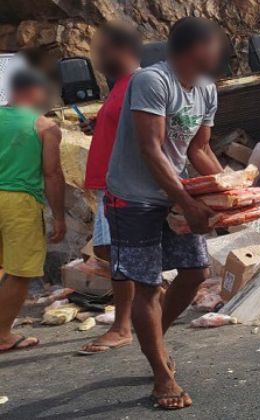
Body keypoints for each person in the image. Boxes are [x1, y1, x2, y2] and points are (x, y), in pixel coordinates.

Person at [105, 17, 224, 409]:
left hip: (173, 192)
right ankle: (161, 376)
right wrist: (189, 203)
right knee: (146, 284)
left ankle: (153, 340)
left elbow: (198, 150)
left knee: (195, 273)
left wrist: (234, 193)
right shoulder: (152, 81)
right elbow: (150, 149)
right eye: (215, 45)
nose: (219, 52)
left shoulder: (206, 88)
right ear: (197, 48)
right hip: (133, 196)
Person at [78, 22, 143, 356]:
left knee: (119, 256)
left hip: (121, 185)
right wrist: (98, 124)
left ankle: (123, 327)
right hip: (110, 184)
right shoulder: (120, 87)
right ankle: (133, 318)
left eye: (102, 49)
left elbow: (146, 134)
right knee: (113, 254)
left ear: (121, 49)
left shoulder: (139, 84)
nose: (98, 57)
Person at [0, 69, 66, 352]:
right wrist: (59, 216)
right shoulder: (44, 127)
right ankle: (3, 335)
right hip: (19, 202)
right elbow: (52, 175)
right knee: (20, 271)